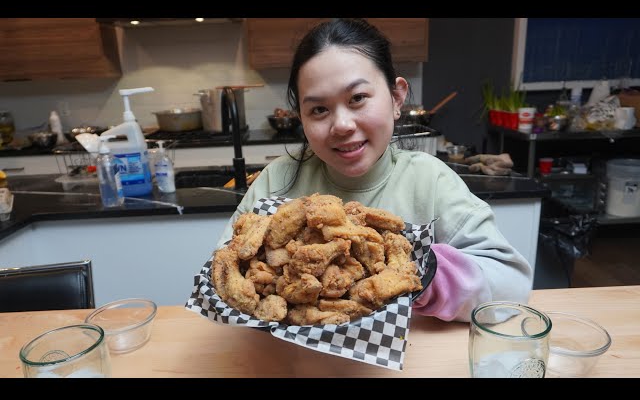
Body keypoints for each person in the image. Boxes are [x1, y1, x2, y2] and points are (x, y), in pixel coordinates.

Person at [216, 18, 532, 322]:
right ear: (301, 118)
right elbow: (224, 268)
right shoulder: (278, 180)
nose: (341, 125)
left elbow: (512, 288)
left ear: (396, 98)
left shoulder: (429, 181)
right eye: (319, 109)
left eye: (358, 98)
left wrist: (424, 277)